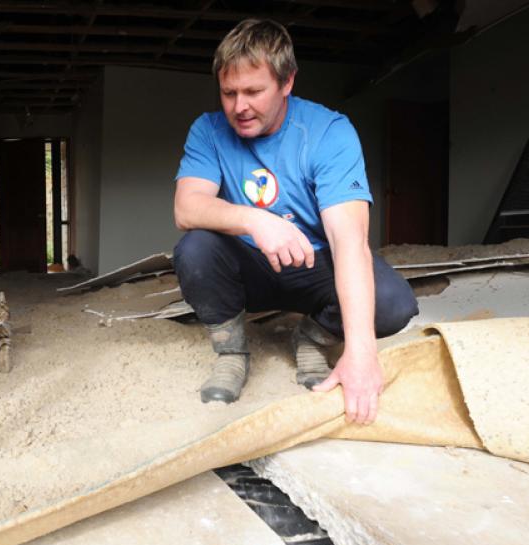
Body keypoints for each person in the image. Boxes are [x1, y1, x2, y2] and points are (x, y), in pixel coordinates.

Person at [172, 18, 418, 424]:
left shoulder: (329, 132)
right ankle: (232, 353)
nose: (239, 107)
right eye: (229, 92)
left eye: (254, 91)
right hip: (250, 266)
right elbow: (187, 207)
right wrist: (254, 220)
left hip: (315, 265)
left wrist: (361, 352)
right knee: (195, 247)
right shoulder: (208, 130)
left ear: (287, 83)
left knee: (393, 304)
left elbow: (349, 242)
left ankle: (312, 338)